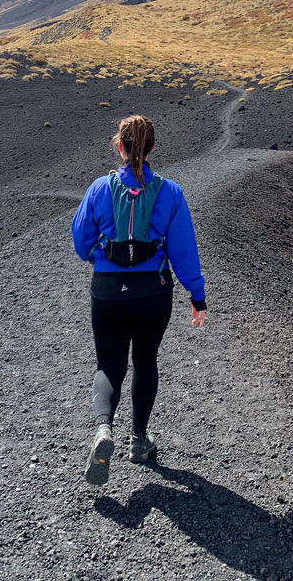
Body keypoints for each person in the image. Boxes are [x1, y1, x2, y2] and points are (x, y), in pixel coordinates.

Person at [71, 114, 207, 486]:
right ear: (150, 149)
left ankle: (103, 431)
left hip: (108, 292)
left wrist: (95, 259)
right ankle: (139, 441)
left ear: (120, 146)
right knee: (145, 361)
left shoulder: (99, 189)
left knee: (108, 366)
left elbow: (80, 239)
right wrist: (197, 296)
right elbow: (183, 252)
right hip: (154, 291)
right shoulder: (171, 193)